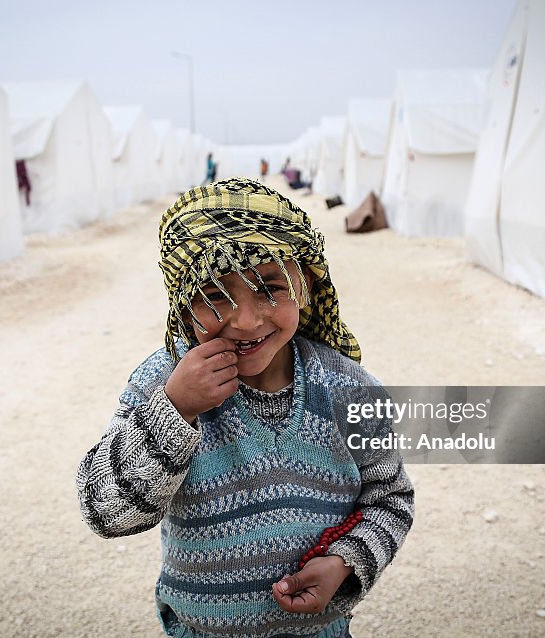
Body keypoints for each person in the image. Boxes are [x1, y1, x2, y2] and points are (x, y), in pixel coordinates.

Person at [76, 178, 414, 638]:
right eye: (216, 295)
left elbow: (390, 498)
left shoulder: (346, 389)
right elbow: (104, 510)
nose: (247, 319)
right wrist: (176, 410)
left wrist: (346, 561)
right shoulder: (163, 383)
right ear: (182, 302)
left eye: (269, 288)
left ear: (306, 286)